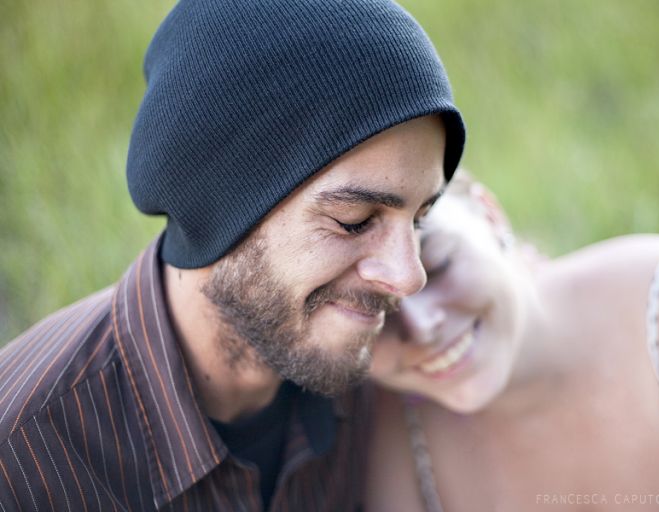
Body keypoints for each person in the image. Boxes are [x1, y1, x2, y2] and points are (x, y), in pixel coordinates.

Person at [0, 1, 465, 510]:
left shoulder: (372, 372)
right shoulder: (23, 456)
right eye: (353, 220)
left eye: (420, 218)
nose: (407, 276)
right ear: (219, 207)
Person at [366, 173, 659, 511]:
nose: (424, 325)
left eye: (436, 266)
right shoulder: (385, 423)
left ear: (489, 215)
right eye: (377, 308)